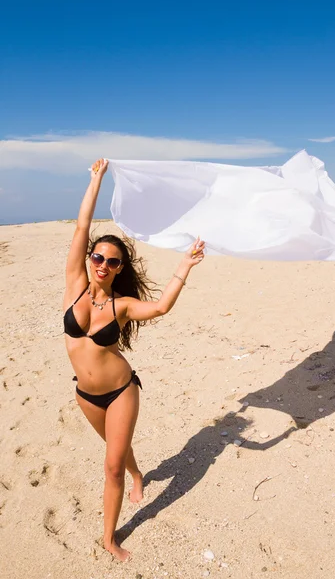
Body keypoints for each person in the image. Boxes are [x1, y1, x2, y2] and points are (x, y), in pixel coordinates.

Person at [63, 158, 205, 561]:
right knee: (116, 448)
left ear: (120, 268)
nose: (103, 265)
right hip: (86, 396)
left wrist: (183, 266)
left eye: (112, 261)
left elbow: (160, 308)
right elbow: (80, 227)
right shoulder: (74, 283)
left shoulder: (123, 304)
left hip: (121, 391)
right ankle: (138, 472)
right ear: (89, 258)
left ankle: (110, 538)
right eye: (98, 257)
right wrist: (95, 180)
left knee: (110, 466)